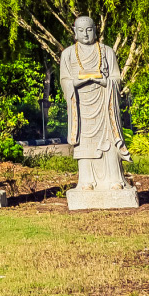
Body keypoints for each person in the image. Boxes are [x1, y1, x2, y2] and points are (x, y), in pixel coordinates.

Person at [58, 16, 128, 191]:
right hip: (81, 105)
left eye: (89, 30)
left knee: (109, 140)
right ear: (74, 32)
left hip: (104, 103)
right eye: (80, 30)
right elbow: (64, 80)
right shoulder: (68, 53)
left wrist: (106, 82)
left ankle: (114, 179)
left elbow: (116, 78)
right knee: (84, 141)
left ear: (95, 30)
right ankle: (86, 181)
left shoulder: (107, 51)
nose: (85, 34)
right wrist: (75, 82)